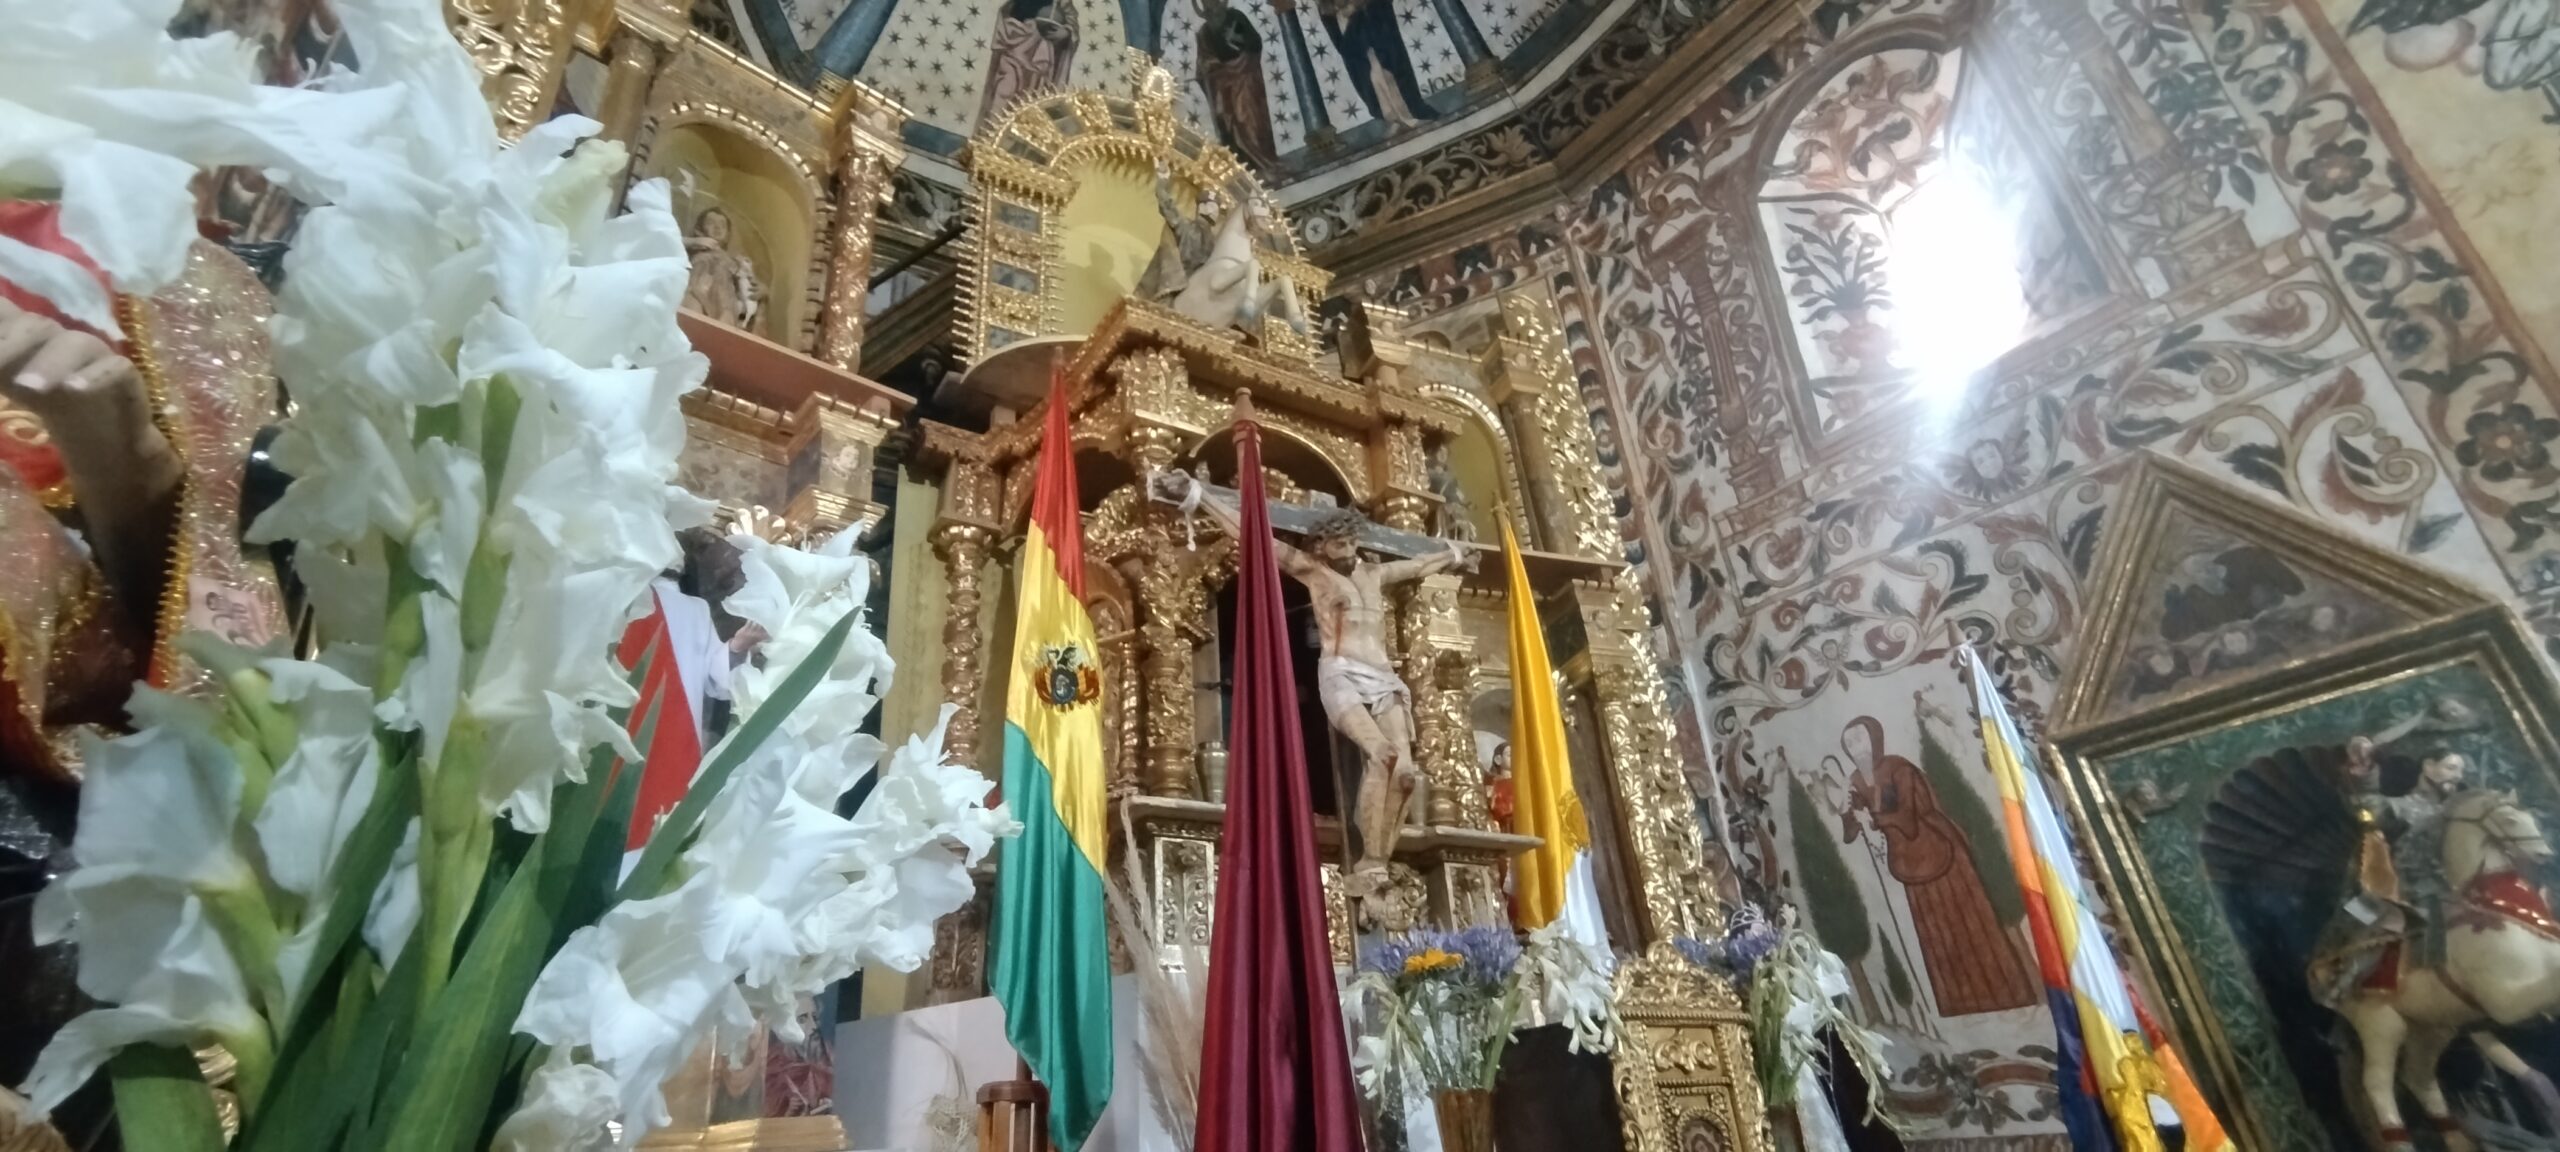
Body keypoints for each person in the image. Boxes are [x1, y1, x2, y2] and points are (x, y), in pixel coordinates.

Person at [1192, 492, 1472, 900]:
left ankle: (1377, 856)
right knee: (1383, 755)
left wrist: (1454, 553)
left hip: (1382, 677)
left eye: (1352, 541)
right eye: (1338, 543)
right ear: (1321, 545)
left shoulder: (1374, 575)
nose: (1348, 550)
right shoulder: (1314, 573)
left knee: (1407, 776)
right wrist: (1201, 498)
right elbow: (1254, 536)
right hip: (1340, 673)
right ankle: (1370, 863)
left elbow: (1418, 564)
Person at [682, 206, 763, 329]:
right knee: (690, 316)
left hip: (723, 299)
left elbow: (747, 283)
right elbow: (666, 241)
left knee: (725, 322)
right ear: (699, 229)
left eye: (722, 225)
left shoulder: (732, 261)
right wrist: (695, 242)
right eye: (710, 223)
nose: (717, 227)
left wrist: (762, 291)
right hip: (696, 288)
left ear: (728, 234)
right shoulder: (693, 251)